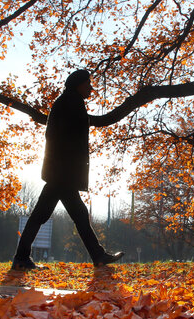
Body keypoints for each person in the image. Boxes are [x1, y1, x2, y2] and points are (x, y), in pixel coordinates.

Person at [12, 70, 124, 270]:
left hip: (61, 173)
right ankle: (22, 258)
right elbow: (65, 137)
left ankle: (22, 257)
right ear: (79, 84)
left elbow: (71, 130)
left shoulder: (69, 102)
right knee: (55, 215)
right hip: (62, 174)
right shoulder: (71, 103)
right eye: (88, 83)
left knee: (70, 215)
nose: (91, 87)